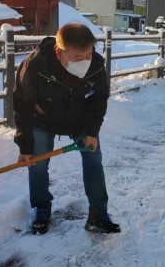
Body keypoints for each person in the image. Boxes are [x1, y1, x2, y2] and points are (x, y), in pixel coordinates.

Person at [13, 23, 120, 235]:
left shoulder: (96, 65)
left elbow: (99, 100)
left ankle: (98, 213)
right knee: (37, 165)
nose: (85, 62)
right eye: (78, 58)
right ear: (58, 51)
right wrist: (25, 145)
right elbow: (22, 104)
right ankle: (41, 206)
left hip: (81, 121)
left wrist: (91, 132)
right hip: (42, 121)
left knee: (93, 162)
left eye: (88, 55)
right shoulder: (36, 65)